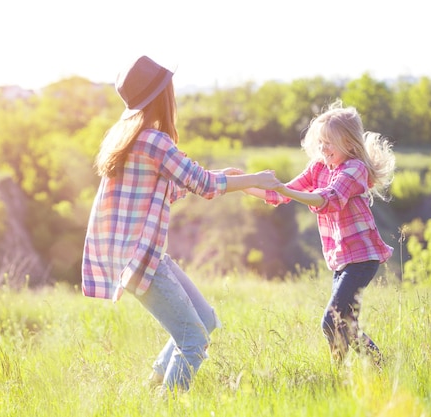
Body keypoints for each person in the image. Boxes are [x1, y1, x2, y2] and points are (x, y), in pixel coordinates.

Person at [81, 55, 281, 393]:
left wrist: (231, 178)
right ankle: (165, 406)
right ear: (161, 96)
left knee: (203, 321)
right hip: (141, 258)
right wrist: (257, 177)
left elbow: (173, 187)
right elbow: (201, 184)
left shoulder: (127, 138)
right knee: (193, 340)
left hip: (141, 255)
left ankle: (150, 392)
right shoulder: (155, 142)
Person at [244, 99, 395, 366]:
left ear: (349, 144)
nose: (323, 149)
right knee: (344, 324)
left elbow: (329, 198)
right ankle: (350, 372)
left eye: (329, 143)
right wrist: (243, 184)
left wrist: (286, 191)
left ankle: (374, 366)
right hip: (341, 260)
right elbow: (280, 193)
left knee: (331, 321)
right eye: (320, 142)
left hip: (361, 260)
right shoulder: (319, 167)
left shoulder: (355, 169)